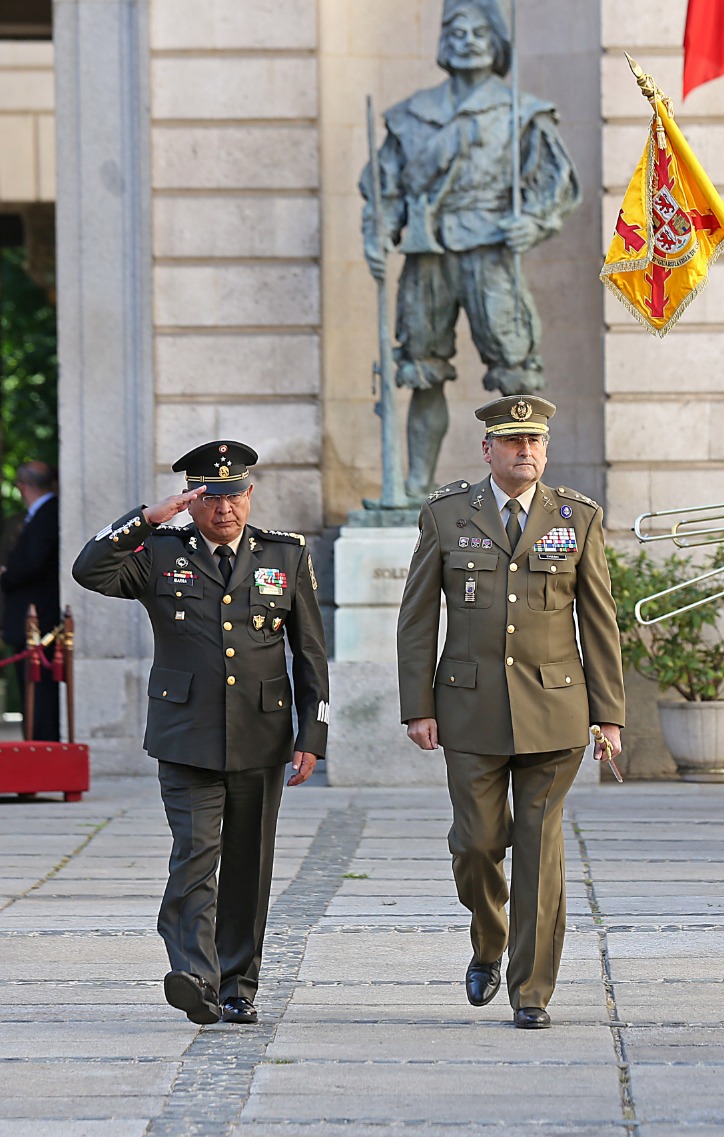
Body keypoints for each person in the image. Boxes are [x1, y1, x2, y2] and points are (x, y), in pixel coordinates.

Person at [72, 442, 328, 1026]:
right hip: (185, 733)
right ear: (191, 501)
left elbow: (309, 652)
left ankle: (238, 982)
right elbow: (89, 570)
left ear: (250, 493)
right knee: (195, 853)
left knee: (248, 863)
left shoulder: (283, 555)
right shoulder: (158, 552)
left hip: (262, 733)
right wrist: (146, 518)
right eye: (210, 498)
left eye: (234, 495)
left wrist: (311, 734)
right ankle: (196, 976)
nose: (225, 510)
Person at [396, 394, 625, 1029]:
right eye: (512, 442)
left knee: (539, 847)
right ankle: (489, 939)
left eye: (535, 442)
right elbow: (417, 620)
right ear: (487, 450)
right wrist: (417, 705)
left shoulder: (576, 517)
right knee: (475, 846)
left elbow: (599, 623)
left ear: (546, 450)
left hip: (555, 712)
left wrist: (608, 716)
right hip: (469, 711)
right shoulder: (447, 516)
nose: (526, 452)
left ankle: (531, 991)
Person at [361, 0, 582, 501]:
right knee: (421, 368)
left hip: (493, 251)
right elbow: (385, 187)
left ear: (498, 42)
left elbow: (557, 182)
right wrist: (377, 234)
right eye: (455, 29)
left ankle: (527, 487)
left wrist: (535, 221)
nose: (467, 39)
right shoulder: (411, 116)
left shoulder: (520, 113)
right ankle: (416, 486)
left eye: (480, 31)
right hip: (427, 250)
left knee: (515, 371)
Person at [1, 461, 60, 740]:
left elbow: (33, 563)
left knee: (38, 690)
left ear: (22, 486)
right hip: (33, 619)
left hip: (37, 619)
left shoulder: (47, 513)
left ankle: (41, 744)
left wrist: (7, 575)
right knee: (33, 690)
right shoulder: (42, 513)